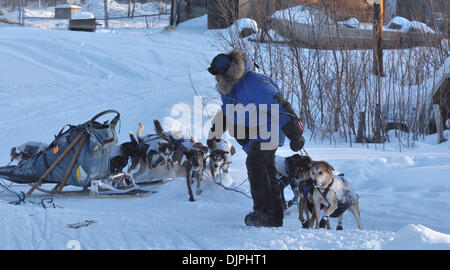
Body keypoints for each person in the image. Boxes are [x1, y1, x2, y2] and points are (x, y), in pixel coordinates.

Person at [206, 49, 305, 227]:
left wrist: (295, 133)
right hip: (252, 137)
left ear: (229, 73)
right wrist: (215, 133)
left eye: (219, 74)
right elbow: (226, 112)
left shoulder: (256, 83)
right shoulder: (227, 89)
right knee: (267, 171)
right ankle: (275, 216)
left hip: (269, 132)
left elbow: (281, 105)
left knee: (256, 162)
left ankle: (263, 213)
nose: (216, 79)